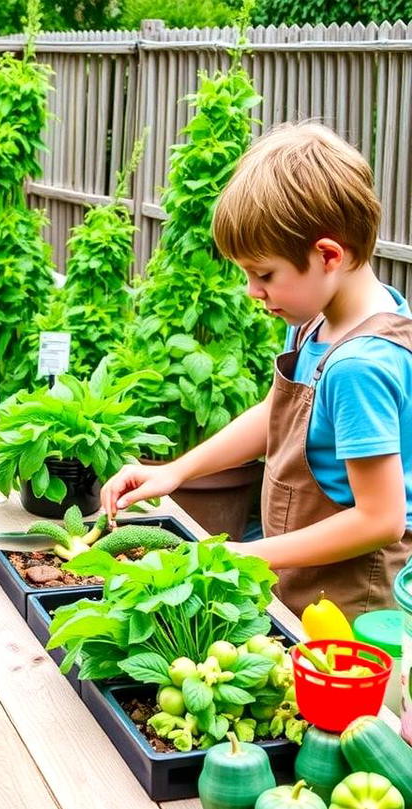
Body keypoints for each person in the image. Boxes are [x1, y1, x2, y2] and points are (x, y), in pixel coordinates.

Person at [101, 123, 412, 620]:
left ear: (328, 255)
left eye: (264, 274)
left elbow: (380, 520)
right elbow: (276, 414)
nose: (252, 291)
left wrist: (242, 554)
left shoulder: (361, 365)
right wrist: (174, 471)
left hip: (357, 599)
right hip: (302, 576)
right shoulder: (316, 322)